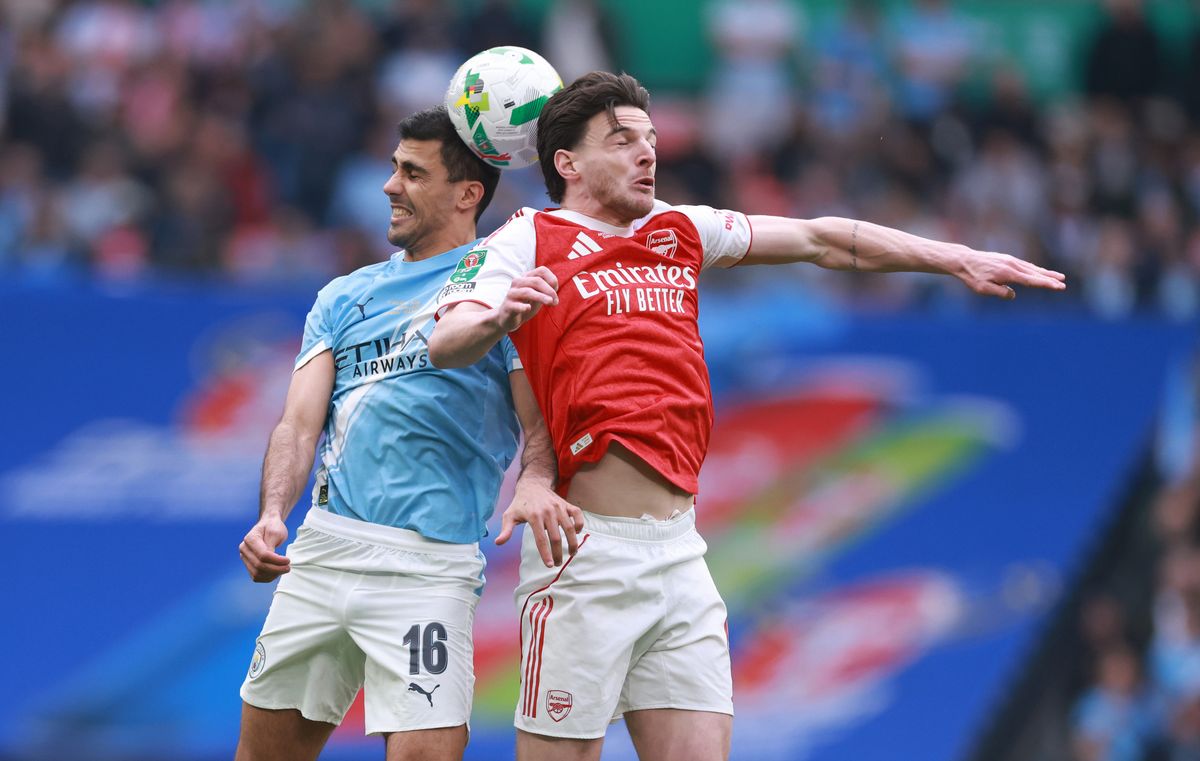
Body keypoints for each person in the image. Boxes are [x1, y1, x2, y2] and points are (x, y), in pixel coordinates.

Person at [428, 72, 1067, 761]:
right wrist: (501, 314)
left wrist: (951, 256)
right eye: (622, 141)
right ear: (567, 163)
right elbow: (446, 339)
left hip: (680, 554)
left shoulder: (679, 228)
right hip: (585, 557)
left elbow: (820, 239)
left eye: (649, 140)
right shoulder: (526, 241)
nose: (647, 154)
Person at [234, 106, 583, 761]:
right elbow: (298, 422)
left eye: (411, 173)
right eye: (394, 168)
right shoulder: (343, 295)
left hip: (429, 567)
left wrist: (537, 478)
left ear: (467, 193)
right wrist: (273, 513)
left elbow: (539, 424)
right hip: (324, 551)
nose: (390, 186)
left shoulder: (497, 286)